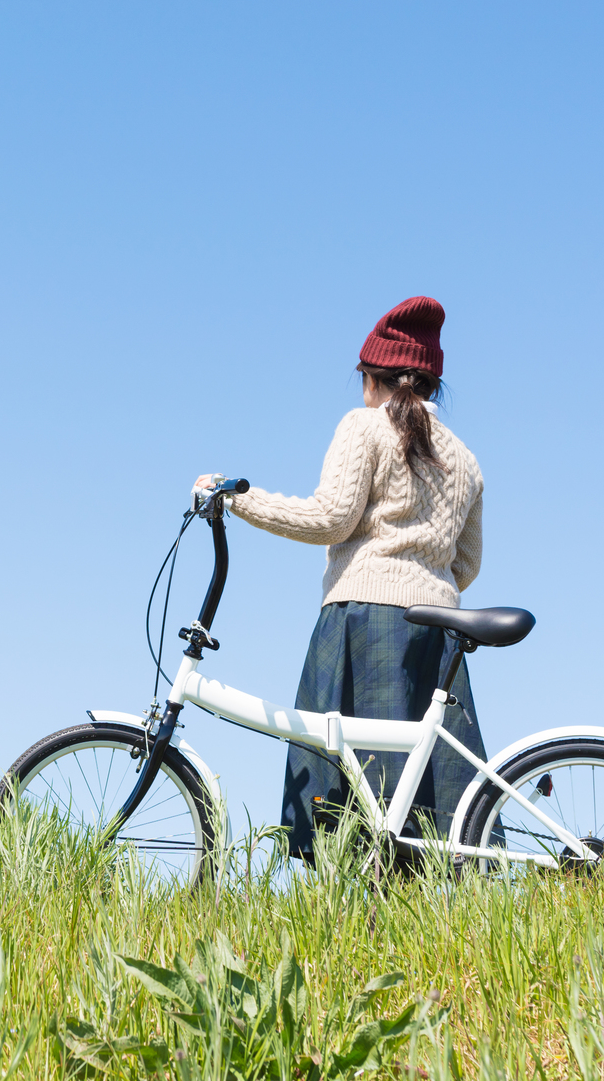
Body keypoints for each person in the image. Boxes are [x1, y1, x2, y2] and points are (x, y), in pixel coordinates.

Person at [196, 296, 487, 862]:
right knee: (424, 788)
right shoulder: (467, 461)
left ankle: (362, 906)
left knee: (352, 782)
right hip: (436, 629)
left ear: (371, 377)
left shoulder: (365, 428)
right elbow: (467, 564)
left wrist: (240, 500)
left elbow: (331, 517)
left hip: (365, 620)